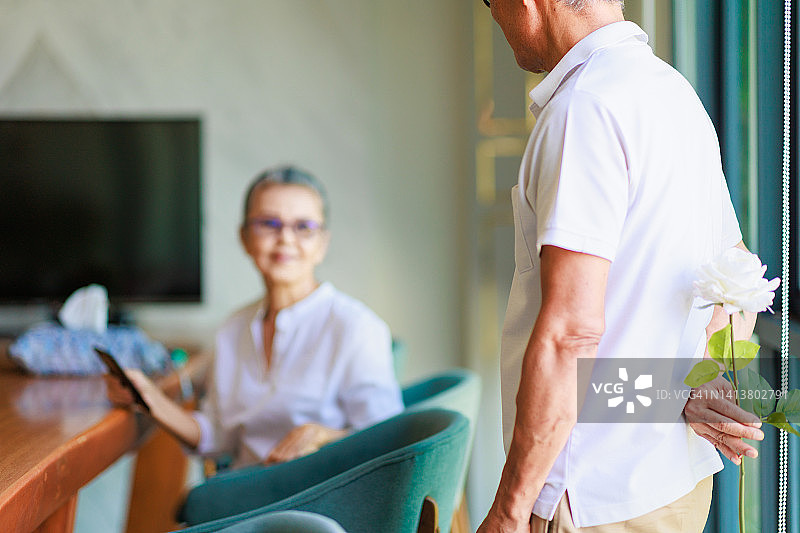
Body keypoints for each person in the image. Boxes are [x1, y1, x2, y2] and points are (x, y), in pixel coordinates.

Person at [478, 1, 764, 532]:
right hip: (673, 483)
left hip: (591, 496)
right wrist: (695, 380)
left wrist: (510, 510)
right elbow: (739, 270)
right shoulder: (674, 92)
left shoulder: (584, 108)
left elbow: (571, 335)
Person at [106, 166, 403, 468]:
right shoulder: (234, 328)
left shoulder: (356, 327)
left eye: (303, 227)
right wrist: (150, 399)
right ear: (245, 238)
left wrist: (322, 436)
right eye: (269, 223)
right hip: (246, 497)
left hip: (316, 502)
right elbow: (216, 436)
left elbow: (387, 440)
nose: (285, 238)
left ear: (322, 244)